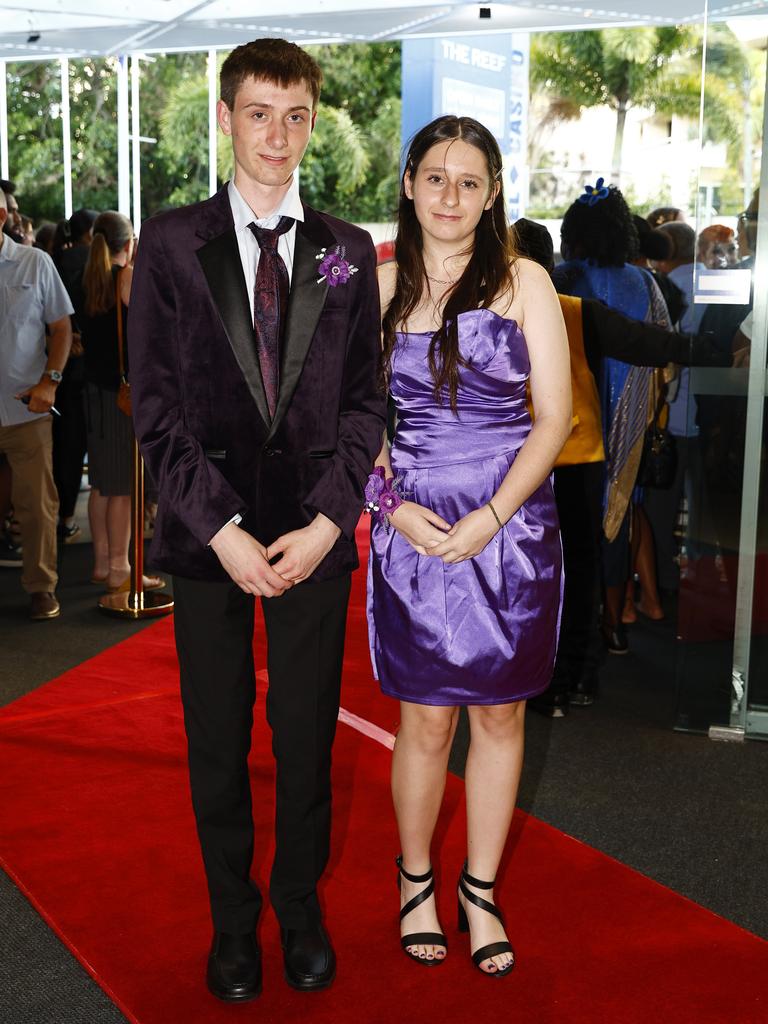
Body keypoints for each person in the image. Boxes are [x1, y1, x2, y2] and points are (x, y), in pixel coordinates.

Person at [128, 38, 385, 1002]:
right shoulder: (169, 243)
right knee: (217, 740)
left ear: (313, 123)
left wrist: (329, 522)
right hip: (210, 541)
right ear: (227, 117)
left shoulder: (347, 252)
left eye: (295, 115)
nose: (277, 135)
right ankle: (232, 922)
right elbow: (153, 409)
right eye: (258, 113)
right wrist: (222, 530)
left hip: (313, 537)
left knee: (308, 736)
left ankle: (299, 908)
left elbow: (366, 407)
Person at [368, 116, 571, 975]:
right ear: (409, 180)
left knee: (498, 713)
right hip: (410, 525)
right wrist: (389, 507)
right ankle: (417, 882)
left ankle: (478, 892)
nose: (451, 196)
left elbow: (553, 419)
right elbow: (343, 420)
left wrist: (491, 519)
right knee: (423, 721)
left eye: (471, 181)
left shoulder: (524, 278)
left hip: (511, 529)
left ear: (493, 194)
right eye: (436, 177)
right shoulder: (367, 278)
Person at [513, 218, 727, 716]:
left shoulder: (521, 311)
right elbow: (653, 343)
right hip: (568, 460)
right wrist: (716, 352)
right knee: (576, 569)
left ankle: (544, 676)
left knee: (535, 573)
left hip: (529, 465)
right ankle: (571, 677)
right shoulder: (573, 311)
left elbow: (651, 343)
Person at [553, 180, 670, 656]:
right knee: (618, 519)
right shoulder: (643, 283)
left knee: (568, 534)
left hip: (572, 429)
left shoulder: (560, 280)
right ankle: (615, 625)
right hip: (625, 423)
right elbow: (663, 358)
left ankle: (566, 642)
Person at [80, 211, 162, 592]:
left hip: (94, 392)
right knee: (124, 488)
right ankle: (119, 567)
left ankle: (102, 562)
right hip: (120, 396)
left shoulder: (89, 280)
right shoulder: (126, 279)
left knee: (101, 485)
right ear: (128, 245)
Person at [0, 188, 73, 619]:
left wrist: (51, 381)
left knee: (36, 502)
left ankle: (41, 586)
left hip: (26, 407)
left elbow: (61, 328)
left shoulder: (34, 262)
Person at [53, 208, 96, 543]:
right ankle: (65, 516)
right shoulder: (95, 263)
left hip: (57, 367)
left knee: (63, 446)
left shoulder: (55, 259)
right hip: (88, 366)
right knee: (79, 442)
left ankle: (63, 514)